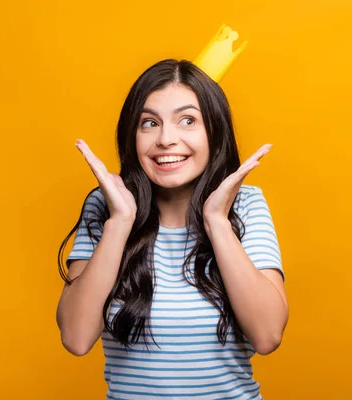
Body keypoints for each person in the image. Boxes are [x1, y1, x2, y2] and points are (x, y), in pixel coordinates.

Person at [56, 58, 289, 400]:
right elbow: (76, 338)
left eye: (188, 120)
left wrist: (216, 221)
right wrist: (120, 222)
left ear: (214, 131)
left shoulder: (246, 205)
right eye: (149, 123)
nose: (166, 139)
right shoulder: (106, 207)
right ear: (131, 136)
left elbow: (267, 336)